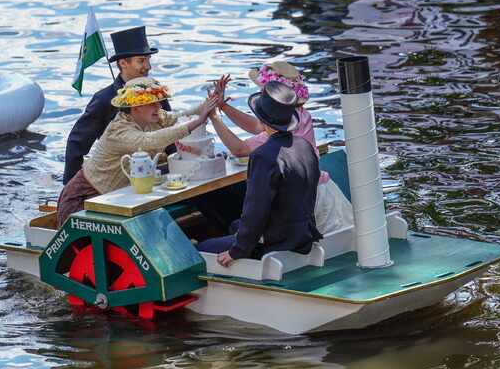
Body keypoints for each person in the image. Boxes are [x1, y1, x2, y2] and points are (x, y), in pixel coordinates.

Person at [210, 62, 353, 234]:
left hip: (303, 201)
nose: (261, 93)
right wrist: (224, 106)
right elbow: (258, 125)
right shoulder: (298, 115)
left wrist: (213, 116)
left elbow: (239, 149)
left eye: (264, 90)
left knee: (233, 225)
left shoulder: (280, 132)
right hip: (321, 191)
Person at [57, 77, 219, 227]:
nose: (160, 107)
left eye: (159, 102)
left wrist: (212, 102)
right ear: (136, 108)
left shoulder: (156, 117)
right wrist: (198, 121)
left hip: (118, 197)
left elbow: (183, 117)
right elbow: (150, 140)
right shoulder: (118, 130)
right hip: (85, 196)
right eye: (153, 104)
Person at [197, 81, 324, 266]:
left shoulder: (264, 156)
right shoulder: (304, 146)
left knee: (199, 250)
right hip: (302, 236)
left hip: (277, 242)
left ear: (262, 120)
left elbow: (256, 210)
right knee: (234, 225)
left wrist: (237, 251)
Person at [62, 26, 172, 185]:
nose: (148, 67)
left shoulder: (156, 92)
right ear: (123, 63)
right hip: (119, 178)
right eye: (141, 61)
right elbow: (76, 143)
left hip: (158, 174)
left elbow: (169, 133)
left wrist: (178, 165)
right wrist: (73, 187)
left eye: (148, 60)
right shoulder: (104, 99)